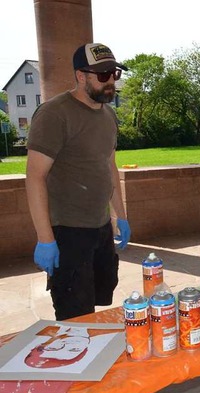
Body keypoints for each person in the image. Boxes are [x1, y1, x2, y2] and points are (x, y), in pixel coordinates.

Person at [26, 43, 131, 322]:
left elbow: (109, 165)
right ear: (81, 76)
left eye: (114, 74)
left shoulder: (108, 115)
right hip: (68, 232)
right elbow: (35, 176)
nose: (111, 81)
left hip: (100, 227)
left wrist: (120, 215)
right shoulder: (55, 114)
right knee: (74, 314)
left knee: (98, 296)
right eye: (103, 75)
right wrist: (45, 238)